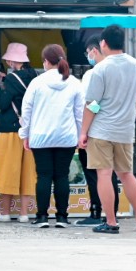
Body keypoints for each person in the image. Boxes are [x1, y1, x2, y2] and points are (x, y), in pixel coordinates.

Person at [78, 24, 136, 234]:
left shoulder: (100, 69)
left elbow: (92, 104)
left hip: (101, 130)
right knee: (127, 174)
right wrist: (126, 97)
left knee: (104, 175)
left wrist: (83, 132)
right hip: (125, 130)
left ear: (103, 43)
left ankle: (111, 222)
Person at [20, 44, 84, 228]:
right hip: (66, 137)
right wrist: (80, 135)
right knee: (62, 177)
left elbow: (27, 111)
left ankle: (41, 217)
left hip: (40, 137)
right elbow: (79, 113)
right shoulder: (74, 83)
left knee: (44, 176)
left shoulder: (37, 83)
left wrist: (26, 134)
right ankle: (62, 217)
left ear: (46, 61)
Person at [0, 43, 38, 222]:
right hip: (29, 131)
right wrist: (5, 81)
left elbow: (3, 103)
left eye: (9, 59)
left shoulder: (12, 79)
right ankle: (24, 214)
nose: (7, 61)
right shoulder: (33, 76)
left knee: (8, 170)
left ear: (15, 60)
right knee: (27, 172)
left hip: (10, 129)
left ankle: (5, 213)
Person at [76, 37, 117, 225]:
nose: (88, 56)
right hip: (118, 130)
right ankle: (112, 213)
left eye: (88, 52)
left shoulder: (92, 74)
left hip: (96, 130)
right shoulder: (118, 71)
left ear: (94, 49)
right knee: (113, 173)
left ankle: (97, 213)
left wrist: (83, 132)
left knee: (95, 173)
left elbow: (90, 104)